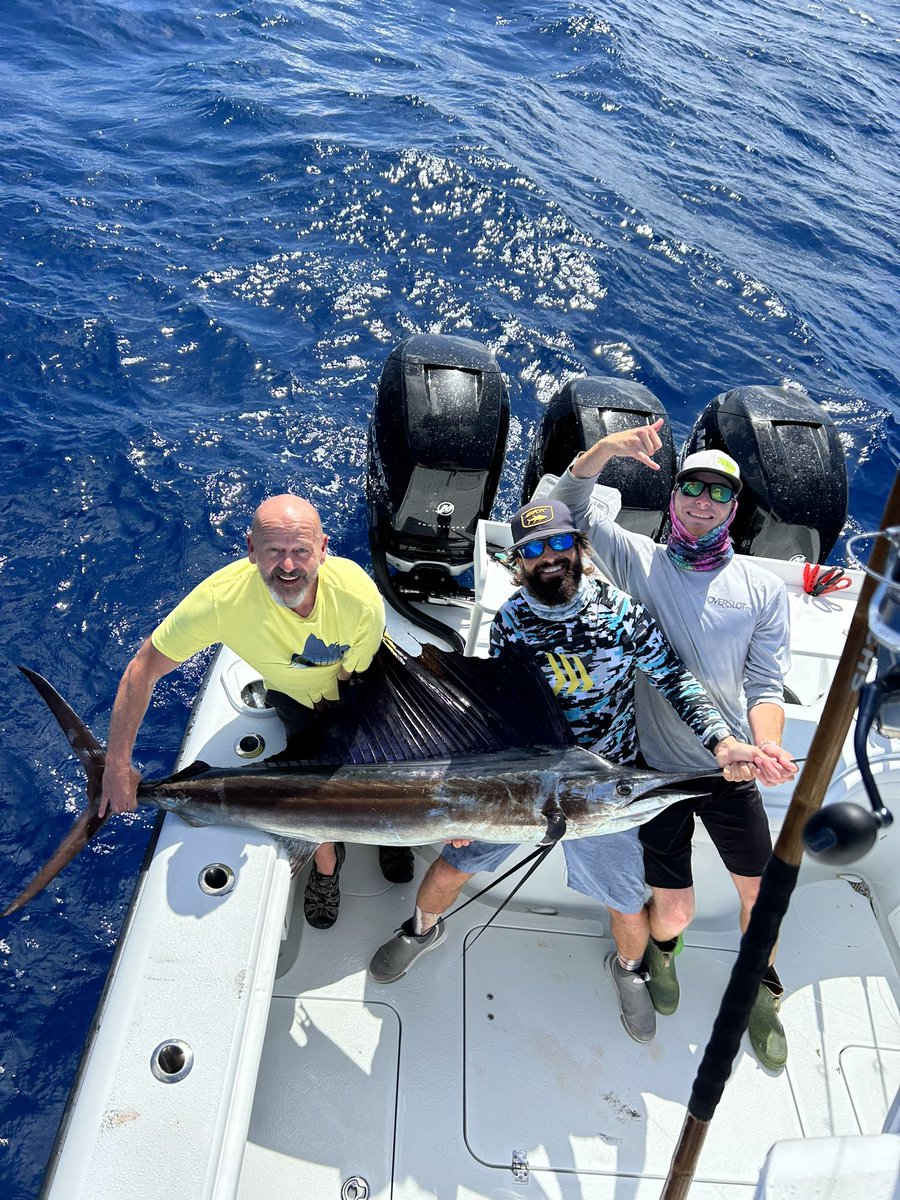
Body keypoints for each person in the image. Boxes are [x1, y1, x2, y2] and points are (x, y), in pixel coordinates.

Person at [368, 499, 782, 1045]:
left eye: (559, 543)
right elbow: (501, 712)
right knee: (450, 866)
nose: (548, 557)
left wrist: (725, 741)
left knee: (627, 903)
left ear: (578, 547)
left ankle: (629, 970)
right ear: (519, 562)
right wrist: (468, 798)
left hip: (604, 786)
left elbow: (676, 682)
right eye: (533, 549)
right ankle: (422, 929)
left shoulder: (623, 612)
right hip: (523, 781)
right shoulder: (512, 619)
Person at [549, 425, 798, 1069]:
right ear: (673, 496)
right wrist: (606, 451)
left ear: (734, 507)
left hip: (730, 766)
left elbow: (766, 686)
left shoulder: (764, 590)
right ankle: (661, 951)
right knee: (676, 910)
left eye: (719, 491)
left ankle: (759, 989)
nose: (702, 500)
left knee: (761, 894)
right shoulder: (638, 560)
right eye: (691, 486)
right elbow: (567, 504)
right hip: (653, 771)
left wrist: (764, 747)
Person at [98, 493, 410, 928]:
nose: (288, 566)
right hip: (296, 701)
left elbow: (356, 677)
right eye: (275, 552)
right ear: (250, 550)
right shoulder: (221, 601)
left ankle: (397, 832)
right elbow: (142, 669)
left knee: (395, 782)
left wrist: (346, 742)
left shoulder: (359, 598)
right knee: (315, 802)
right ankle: (327, 863)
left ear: (322, 550)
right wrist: (115, 764)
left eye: (300, 551)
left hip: (362, 693)